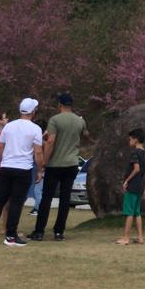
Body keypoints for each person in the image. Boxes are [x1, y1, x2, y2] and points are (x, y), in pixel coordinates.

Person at [0, 98, 44, 247]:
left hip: (6, 166)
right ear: (33, 111)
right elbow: (38, 152)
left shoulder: (9, 126)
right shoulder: (35, 128)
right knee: (16, 202)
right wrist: (40, 170)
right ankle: (10, 235)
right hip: (23, 168)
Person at [32, 93, 90, 242]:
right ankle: (59, 232)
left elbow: (50, 141)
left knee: (47, 198)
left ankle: (39, 231)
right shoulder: (79, 121)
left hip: (55, 163)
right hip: (72, 163)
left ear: (60, 105)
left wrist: (44, 161)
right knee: (65, 198)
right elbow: (86, 135)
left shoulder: (55, 120)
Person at [116, 128, 145, 246]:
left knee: (129, 212)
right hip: (140, 186)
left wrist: (126, 181)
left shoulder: (135, 153)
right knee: (137, 213)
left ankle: (125, 238)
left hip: (133, 186)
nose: (129, 141)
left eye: (130, 139)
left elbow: (136, 169)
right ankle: (140, 238)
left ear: (135, 140)